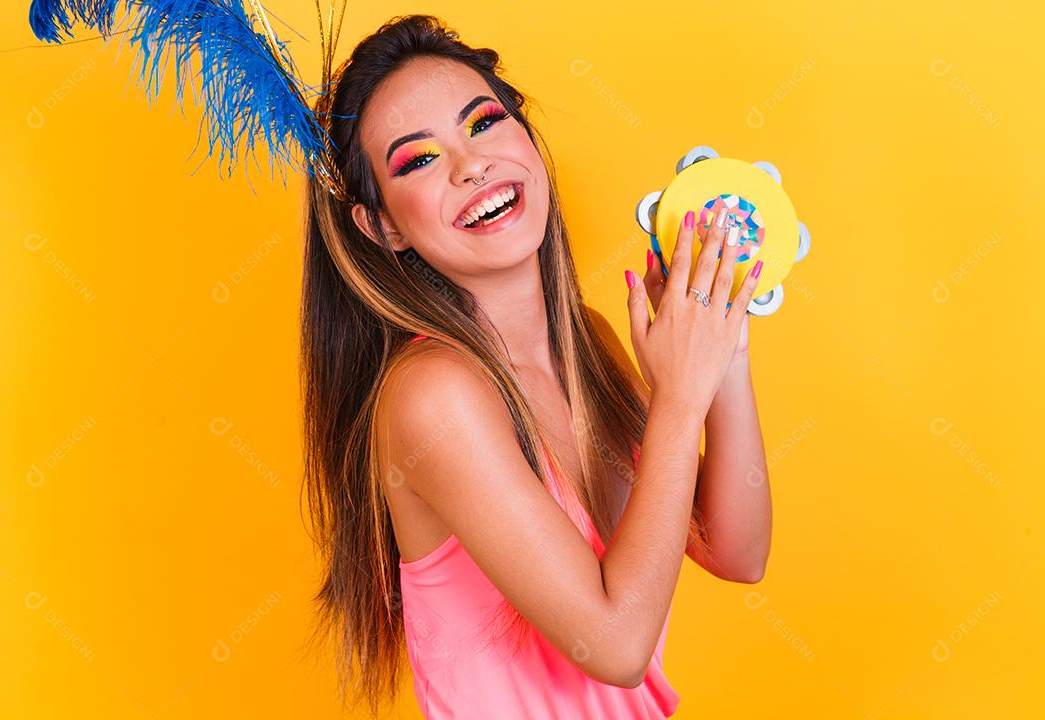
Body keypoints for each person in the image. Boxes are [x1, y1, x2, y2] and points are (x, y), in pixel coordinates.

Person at [300, 14, 772, 719]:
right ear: (382, 225)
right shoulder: (433, 396)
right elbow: (615, 646)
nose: (471, 165)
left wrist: (717, 334)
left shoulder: (588, 344)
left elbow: (737, 551)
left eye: (483, 123)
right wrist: (678, 399)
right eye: (418, 160)